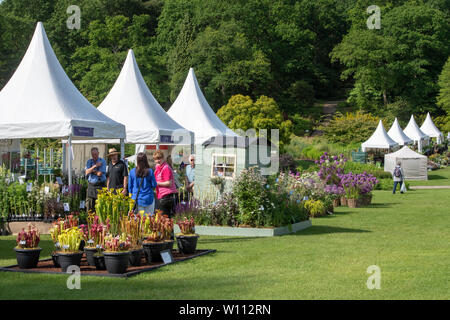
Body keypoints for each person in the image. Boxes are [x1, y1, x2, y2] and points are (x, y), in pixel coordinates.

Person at [153, 150, 178, 218]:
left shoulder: (166, 168)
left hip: (166, 196)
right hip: (161, 195)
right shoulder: (159, 168)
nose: (157, 161)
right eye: (156, 159)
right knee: (162, 218)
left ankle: (168, 229)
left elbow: (169, 183)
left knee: (164, 218)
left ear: (163, 158)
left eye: (159, 158)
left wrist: (157, 183)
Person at [85, 147, 107, 212]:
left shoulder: (102, 161)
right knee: (90, 205)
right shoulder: (89, 161)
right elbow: (86, 172)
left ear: (98, 153)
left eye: (96, 154)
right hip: (91, 185)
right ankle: (90, 221)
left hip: (100, 185)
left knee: (100, 205)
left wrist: (91, 170)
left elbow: (99, 173)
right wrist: (95, 166)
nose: (94, 156)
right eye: (93, 154)